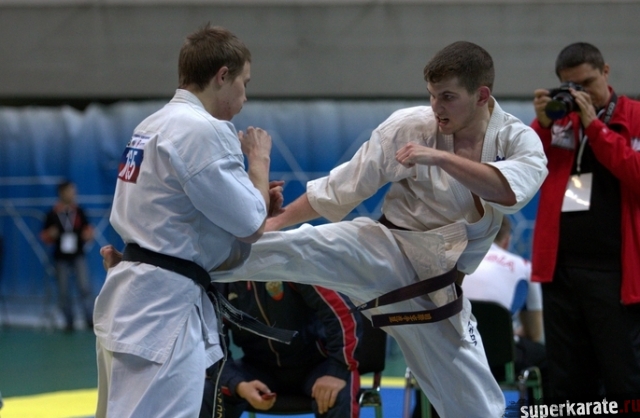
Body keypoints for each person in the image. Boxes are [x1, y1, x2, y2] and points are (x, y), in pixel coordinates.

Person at [101, 40, 549, 417]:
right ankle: (151, 261)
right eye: (432, 95)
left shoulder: (517, 141)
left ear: (482, 95)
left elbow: (509, 192)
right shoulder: (410, 126)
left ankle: (155, 262)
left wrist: (438, 158)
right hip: (388, 248)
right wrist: (273, 221)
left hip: (439, 286)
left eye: (447, 97)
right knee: (292, 245)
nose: (436, 107)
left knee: (478, 404)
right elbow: (341, 188)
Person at [93, 23, 280, 418]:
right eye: (244, 83)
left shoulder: (151, 125)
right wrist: (259, 162)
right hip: (163, 310)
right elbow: (251, 224)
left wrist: (257, 197)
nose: (245, 96)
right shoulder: (203, 130)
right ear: (222, 76)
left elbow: (184, 211)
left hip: (135, 298)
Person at [531, 42, 640, 402]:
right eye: (572, 87)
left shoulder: (634, 117)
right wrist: (542, 125)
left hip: (616, 274)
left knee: (624, 378)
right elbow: (525, 169)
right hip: (561, 273)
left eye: (588, 83)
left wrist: (596, 129)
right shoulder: (561, 122)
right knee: (567, 384)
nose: (583, 95)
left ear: (606, 72)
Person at [199, 281, 362, 418]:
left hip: (315, 364)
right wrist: (238, 384)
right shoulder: (222, 279)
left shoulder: (297, 264)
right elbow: (211, 346)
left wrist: (337, 370)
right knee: (206, 391)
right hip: (257, 368)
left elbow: (343, 314)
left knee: (338, 393)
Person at [462, 215, 547, 394]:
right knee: (545, 358)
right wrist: (507, 333)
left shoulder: (453, 262)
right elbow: (535, 333)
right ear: (507, 241)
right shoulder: (524, 267)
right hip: (499, 362)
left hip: (454, 356)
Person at [40, 180, 95, 332]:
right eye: (70, 191)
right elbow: (44, 236)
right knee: (64, 290)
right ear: (62, 193)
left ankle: (89, 319)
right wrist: (50, 235)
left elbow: (88, 229)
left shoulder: (79, 211)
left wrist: (89, 234)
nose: (73, 194)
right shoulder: (52, 214)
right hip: (60, 257)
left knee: (84, 287)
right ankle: (68, 320)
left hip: (78, 255)